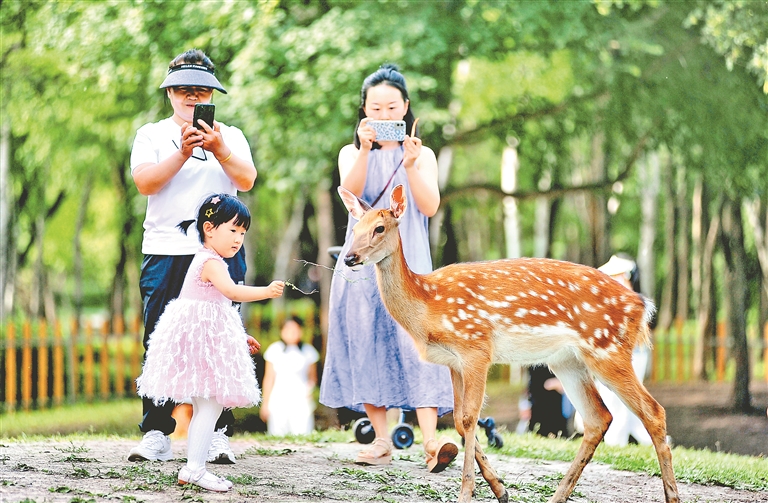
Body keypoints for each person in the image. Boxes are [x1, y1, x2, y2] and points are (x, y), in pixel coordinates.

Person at [320, 64, 457, 472]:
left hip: (409, 265)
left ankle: (432, 442)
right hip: (362, 266)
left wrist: (412, 165)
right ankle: (381, 439)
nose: (383, 116)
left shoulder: (423, 155)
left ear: (406, 109)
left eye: (391, 107)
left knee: (421, 347)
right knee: (366, 344)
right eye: (375, 108)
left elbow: (429, 206)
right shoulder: (350, 152)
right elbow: (355, 190)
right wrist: (364, 149)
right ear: (363, 110)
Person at [129, 48, 257, 464]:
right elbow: (146, 183)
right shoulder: (151, 134)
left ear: (212, 94)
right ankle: (156, 433)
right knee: (159, 339)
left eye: (200, 90)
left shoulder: (231, 135)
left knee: (223, 341)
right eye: (183, 90)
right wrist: (182, 152)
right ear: (169, 93)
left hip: (221, 252)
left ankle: (218, 432)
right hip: (166, 249)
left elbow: (246, 179)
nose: (190, 97)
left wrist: (218, 148)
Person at [136, 193, 285, 492]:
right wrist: (267, 291)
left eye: (242, 233)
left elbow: (214, 307)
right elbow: (231, 293)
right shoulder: (210, 262)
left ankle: (195, 467)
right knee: (210, 405)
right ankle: (194, 468)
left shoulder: (212, 261)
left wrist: (239, 335)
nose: (238, 239)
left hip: (204, 339)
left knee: (210, 406)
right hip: (201, 344)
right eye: (232, 230)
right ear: (209, 228)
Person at [590, 254, 653, 446]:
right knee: (618, 400)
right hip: (616, 355)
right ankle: (648, 440)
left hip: (633, 354)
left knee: (622, 399)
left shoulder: (633, 302)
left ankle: (617, 443)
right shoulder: (611, 302)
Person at [259, 316, 320, 436]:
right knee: (277, 433)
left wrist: (309, 390)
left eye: (295, 329)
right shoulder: (274, 350)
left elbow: (313, 377)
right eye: (288, 330)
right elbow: (269, 378)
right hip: (278, 398)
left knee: (302, 433)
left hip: (301, 398)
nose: (292, 333)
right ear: (282, 331)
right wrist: (265, 403)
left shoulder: (308, 351)